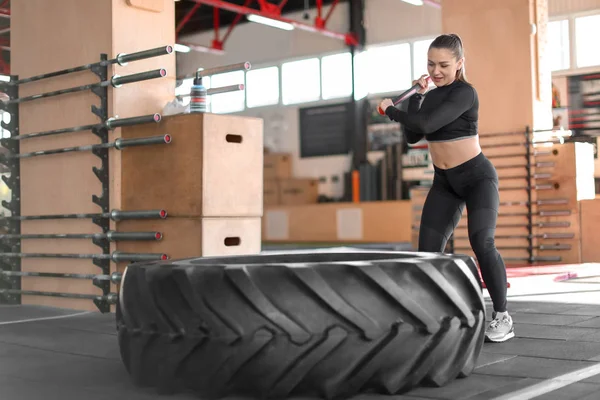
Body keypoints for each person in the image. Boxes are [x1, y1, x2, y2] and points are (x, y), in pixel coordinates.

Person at [378, 33, 514, 343]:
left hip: (477, 177)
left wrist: (390, 110)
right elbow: (414, 136)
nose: (436, 71)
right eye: (430, 64)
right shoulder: (430, 94)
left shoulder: (465, 93)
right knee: (427, 252)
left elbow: (426, 125)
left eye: (443, 65)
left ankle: (503, 315)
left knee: (482, 242)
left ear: (459, 64)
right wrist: (415, 96)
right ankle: (432, 315)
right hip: (445, 183)